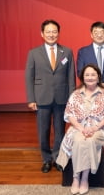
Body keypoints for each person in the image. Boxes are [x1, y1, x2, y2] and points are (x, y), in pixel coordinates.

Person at [56, 64, 104, 195]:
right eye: (87, 75)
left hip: (99, 130)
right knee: (78, 140)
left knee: (90, 141)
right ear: (82, 77)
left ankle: (84, 178)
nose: (90, 77)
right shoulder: (75, 94)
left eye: (93, 75)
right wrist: (81, 128)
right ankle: (75, 177)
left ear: (98, 77)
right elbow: (69, 115)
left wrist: (95, 127)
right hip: (79, 128)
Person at [25, 19, 76, 173]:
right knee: (43, 130)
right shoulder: (34, 53)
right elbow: (29, 76)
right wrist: (31, 99)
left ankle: (58, 158)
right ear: (42, 34)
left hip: (62, 97)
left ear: (58, 33)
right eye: (48, 31)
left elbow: (71, 76)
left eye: (54, 31)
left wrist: (72, 98)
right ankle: (46, 159)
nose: (51, 34)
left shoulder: (66, 51)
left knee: (60, 130)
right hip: (42, 97)